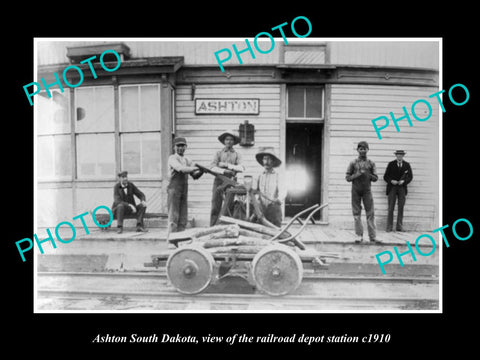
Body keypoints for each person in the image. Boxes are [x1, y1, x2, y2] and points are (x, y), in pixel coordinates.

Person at [345, 141, 381, 244]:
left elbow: (375, 178)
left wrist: (368, 174)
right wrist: (358, 174)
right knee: (356, 214)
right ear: (357, 150)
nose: (363, 151)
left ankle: (372, 236)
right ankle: (359, 235)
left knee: (370, 213)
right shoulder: (353, 163)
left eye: (365, 149)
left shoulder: (371, 163)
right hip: (355, 190)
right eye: (361, 149)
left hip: (367, 191)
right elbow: (347, 178)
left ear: (367, 150)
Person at [167, 137, 203, 235]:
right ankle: (171, 240)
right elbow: (181, 169)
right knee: (173, 216)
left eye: (183, 146)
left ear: (186, 147)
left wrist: (202, 171)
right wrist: (196, 167)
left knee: (183, 217)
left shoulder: (187, 160)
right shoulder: (172, 158)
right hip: (173, 189)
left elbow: (195, 176)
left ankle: (179, 239)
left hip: (183, 190)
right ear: (174, 147)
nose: (180, 148)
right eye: (178, 146)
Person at [209, 130, 244, 226]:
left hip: (231, 182)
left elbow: (241, 168)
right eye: (227, 139)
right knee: (215, 205)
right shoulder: (218, 153)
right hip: (219, 181)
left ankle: (227, 228)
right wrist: (224, 171)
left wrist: (226, 165)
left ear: (234, 142)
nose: (229, 141)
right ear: (224, 141)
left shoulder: (237, 154)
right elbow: (212, 167)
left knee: (229, 206)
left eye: (231, 139)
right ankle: (212, 228)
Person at [383, 150, 413, 232]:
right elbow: (385, 176)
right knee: (391, 207)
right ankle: (389, 227)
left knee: (401, 207)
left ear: (403, 156)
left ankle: (399, 227)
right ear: (396, 156)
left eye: (401, 155)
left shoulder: (407, 165)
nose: (399, 156)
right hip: (392, 187)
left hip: (402, 188)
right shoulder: (391, 164)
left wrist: (404, 181)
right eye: (398, 155)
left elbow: (410, 177)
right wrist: (391, 181)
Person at [254, 147, 286, 227]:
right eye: (265, 159)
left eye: (269, 159)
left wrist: (278, 199)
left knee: (274, 228)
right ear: (262, 161)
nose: (266, 162)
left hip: (273, 207)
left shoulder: (278, 175)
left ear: (273, 161)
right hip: (261, 207)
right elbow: (254, 190)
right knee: (258, 227)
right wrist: (256, 200)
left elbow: (283, 189)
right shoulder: (259, 175)